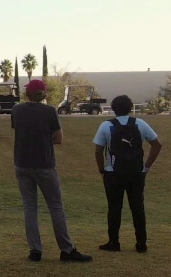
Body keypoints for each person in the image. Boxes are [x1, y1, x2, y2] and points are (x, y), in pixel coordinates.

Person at [11, 79, 92, 263]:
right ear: (44, 94)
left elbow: (18, 129)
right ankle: (66, 249)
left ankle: (35, 250)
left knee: (29, 207)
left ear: (27, 94)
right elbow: (58, 138)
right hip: (44, 164)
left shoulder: (17, 110)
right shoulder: (49, 111)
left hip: (21, 163)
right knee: (55, 207)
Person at [93, 95, 162, 253]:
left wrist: (101, 169)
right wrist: (146, 166)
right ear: (130, 108)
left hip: (113, 172)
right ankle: (141, 243)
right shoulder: (140, 124)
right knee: (138, 207)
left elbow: (98, 150)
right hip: (136, 172)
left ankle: (113, 242)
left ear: (113, 108)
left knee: (114, 208)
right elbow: (157, 145)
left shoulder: (106, 126)